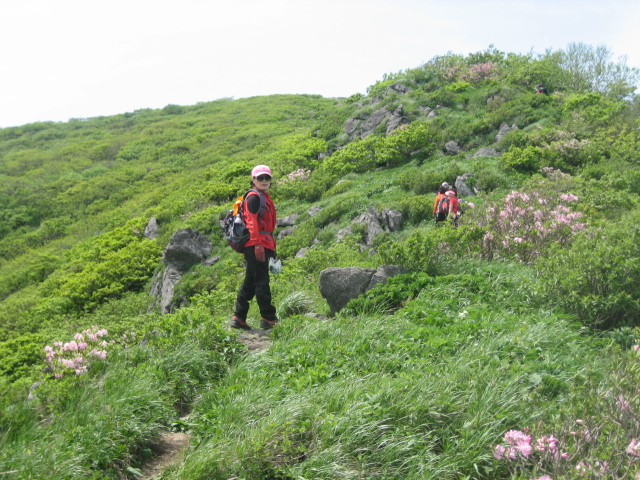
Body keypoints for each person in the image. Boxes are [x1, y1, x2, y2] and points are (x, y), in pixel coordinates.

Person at [231, 165, 278, 331]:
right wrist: (258, 243)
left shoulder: (262, 197)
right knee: (261, 281)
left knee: (250, 282)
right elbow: (251, 221)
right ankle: (268, 317)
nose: (264, 181)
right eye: (260, 178)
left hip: (261, 244)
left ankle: (239, 317)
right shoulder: (254, 197)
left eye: (267, 178)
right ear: (253, 180)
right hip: (256, 244)